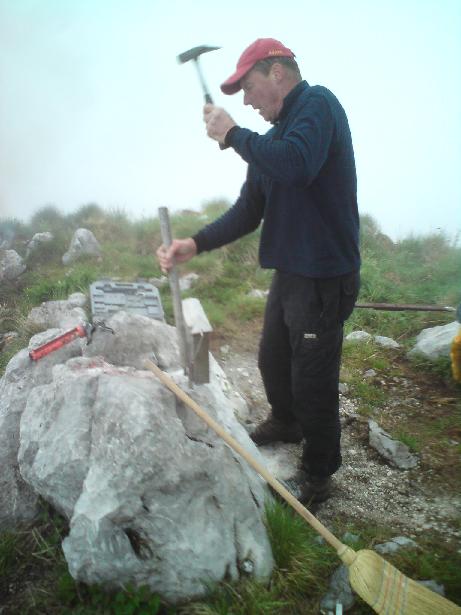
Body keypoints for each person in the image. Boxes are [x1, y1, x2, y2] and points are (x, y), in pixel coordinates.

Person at [157, 38, 361, 505]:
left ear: (277, 73)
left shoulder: (317, 105)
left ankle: (318, 473)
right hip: (291, 272)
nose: (246, 101)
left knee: (313, 378)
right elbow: (249, 210)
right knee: (272, 358)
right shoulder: (273, 141)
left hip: (324, 275)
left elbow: (298, 166)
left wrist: (233, 134)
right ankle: (286, 423)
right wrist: (195, 243)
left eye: (248, 88)